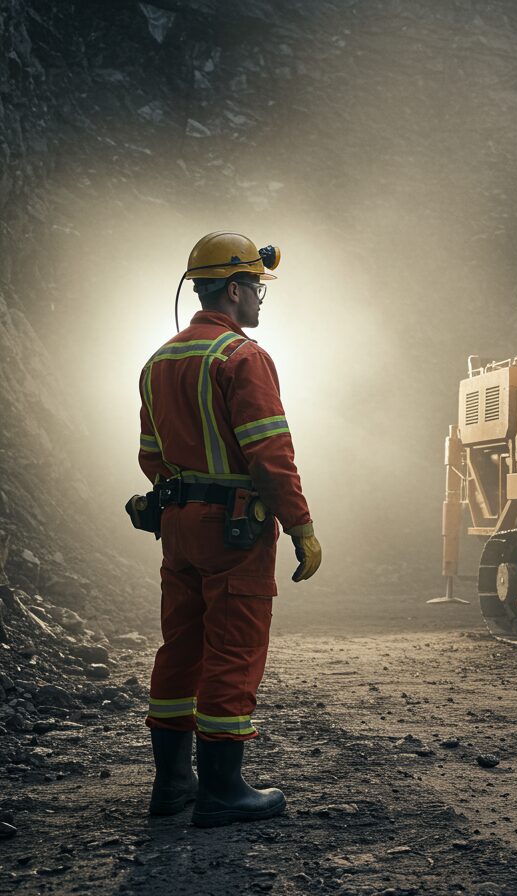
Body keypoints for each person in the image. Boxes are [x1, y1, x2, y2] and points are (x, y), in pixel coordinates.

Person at [137, 231, 322, 827]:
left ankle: (172, 784)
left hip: (177, 524)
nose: (262, 299)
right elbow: (270, 454)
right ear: (236, 289)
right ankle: (222, 790)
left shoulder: (158, 361)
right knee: (233, 650)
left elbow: (151, 456)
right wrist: (300, 526)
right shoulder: (242, 358)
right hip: (234, 530)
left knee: (181, 647)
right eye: (258, 288)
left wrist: (185, 496)